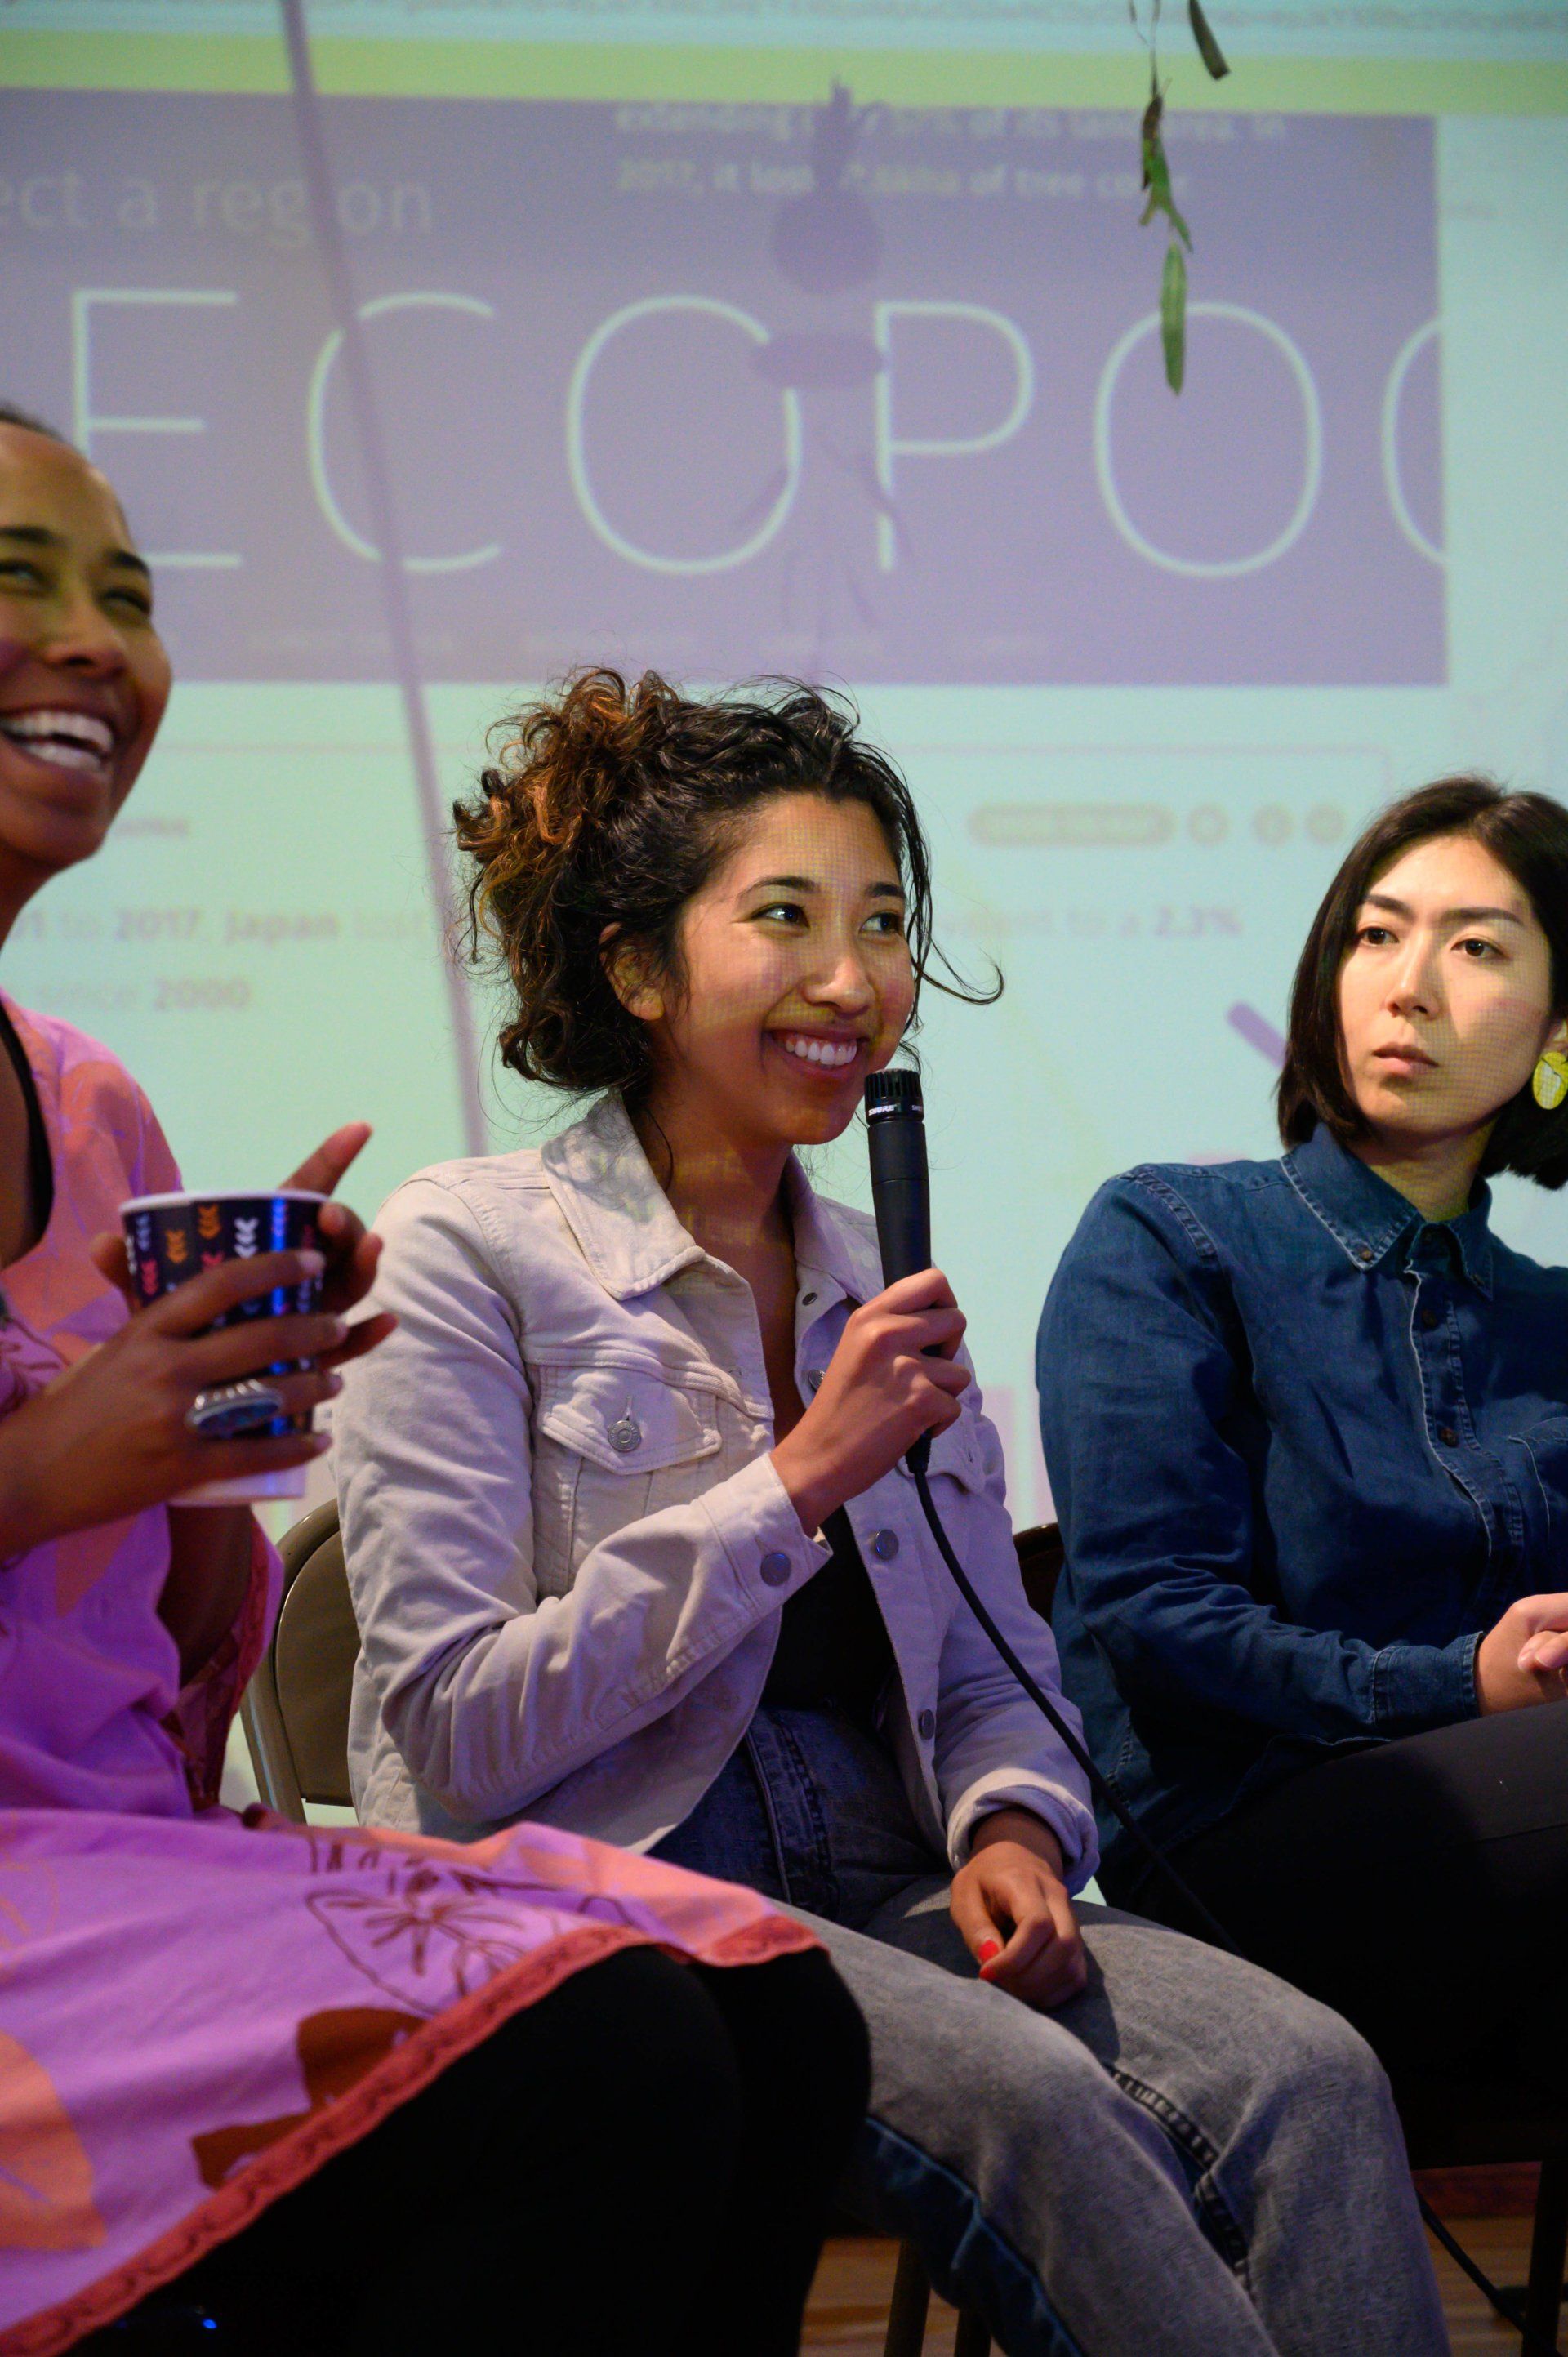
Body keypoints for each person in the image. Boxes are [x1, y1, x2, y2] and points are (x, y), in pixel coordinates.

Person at [336, 666, 1450, 2357]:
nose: (856, 982)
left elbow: (992, 1661)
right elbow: (460, 1733)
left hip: (886, 1865)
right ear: (637, 968)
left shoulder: (879, 1277)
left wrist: (1013, 1826)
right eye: (786, 916)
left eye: (883, 924)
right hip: (607, 1895)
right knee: (1035, 2100)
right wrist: (796, 1478)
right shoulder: (466, 1250)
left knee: (1307, 2074)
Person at [0, 406, 867, 2357]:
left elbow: (164, 1636)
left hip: (118, 1859)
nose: (93, 644)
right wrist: (54, 1464)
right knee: (607, 2062)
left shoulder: (88, 1105)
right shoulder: (494, 1233)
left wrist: (214, 1442)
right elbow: (454, 1727)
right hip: (44, 1918)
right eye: (18, 580)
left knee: (774, 2012)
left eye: (127, 596)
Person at [1038, 775, 1568, 2091]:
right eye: (1377, 934)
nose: (1410, 986)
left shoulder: (1552, 1319)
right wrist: (1465, 1684)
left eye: (1477, 947)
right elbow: (1155, 1618)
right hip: (1237, 1852)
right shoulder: (1174, 1235)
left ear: (1559, 1031)